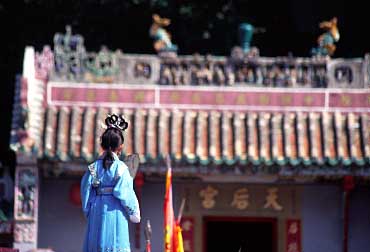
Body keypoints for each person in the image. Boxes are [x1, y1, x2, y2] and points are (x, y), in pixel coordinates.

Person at [81, 114, 141, 252]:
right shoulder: (121, 169)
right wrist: (134, 212)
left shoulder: (92, 168)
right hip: (116, 211)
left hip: (97, 212)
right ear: (120, 147)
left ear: (102, 145)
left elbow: (85, 193)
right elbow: (124, 192)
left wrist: (90, 210)